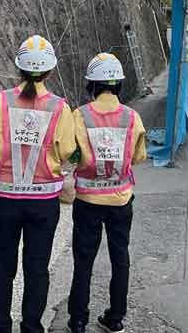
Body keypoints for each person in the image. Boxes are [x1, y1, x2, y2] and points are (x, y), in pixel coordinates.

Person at [0, 35, 77, 333]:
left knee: (1, 270)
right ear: (49, 71)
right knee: (36, 270)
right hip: (43, 204)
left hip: (2, 202)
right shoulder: (60, 108)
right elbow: (65, 151)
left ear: (18, 68)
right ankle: (32, 328)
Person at [67, 53, 147, 333]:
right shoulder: (131, 117)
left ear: (92, 85)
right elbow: (138, 156)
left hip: (87, 200)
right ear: (118, 85)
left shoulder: (80, 115)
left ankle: (78, 321)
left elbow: (69, 152)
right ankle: (115, 319)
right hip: (121, 199)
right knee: (120, 258)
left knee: (83, 261)